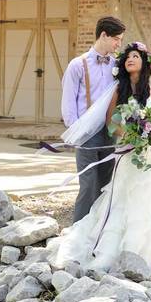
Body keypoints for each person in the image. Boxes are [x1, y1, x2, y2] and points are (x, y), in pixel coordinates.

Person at [53, 42, 151, 271]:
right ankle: (107, 250)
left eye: (135, 56)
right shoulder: (119, 92)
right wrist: (130, 135)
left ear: (145, 63)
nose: (130, 59)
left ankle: (136, 253)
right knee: (121, 199)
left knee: (144, 201)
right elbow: (111, 124)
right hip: (127, 154)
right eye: (127, 57)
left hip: (148, 157)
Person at [61, 16, 126, 223]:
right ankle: (78, 232)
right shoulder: (77, 65)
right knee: (88, 184)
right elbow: (69, 102)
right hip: (87, 134)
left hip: (110, 132)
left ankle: (98, 230)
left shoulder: (117, 65)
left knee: (105, 184)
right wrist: (77, 131)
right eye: (116, 39)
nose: (119, 44)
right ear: (104, 35)